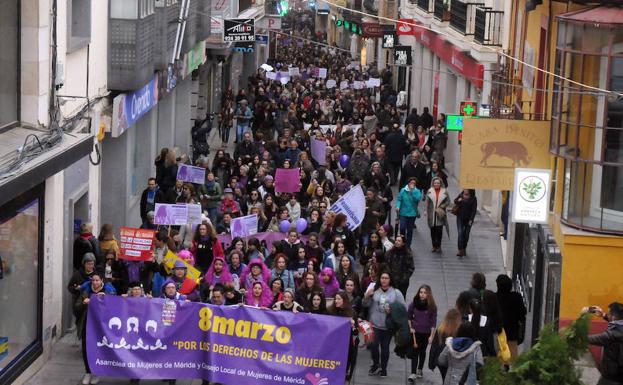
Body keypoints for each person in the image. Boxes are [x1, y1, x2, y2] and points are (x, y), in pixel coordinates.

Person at [75, 272, 116, 385]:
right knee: (86, 349)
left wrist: (106, 298)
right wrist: (84, 303)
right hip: (87, 326)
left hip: (101, 328)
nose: (95, 282)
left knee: (100, 349)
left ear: (102, 280)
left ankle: (97, 372)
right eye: (93, 280)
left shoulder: (108, 291)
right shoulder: (86, 292)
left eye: (97, 280)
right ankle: (88, 372)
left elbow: (114, 306)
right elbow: (76, 307)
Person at [363, 271, 406, 377]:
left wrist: (392, 310)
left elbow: (403, 309)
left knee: (385, 347)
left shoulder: (396, 293)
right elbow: (365, 304)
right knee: (373, 345)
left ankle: (383, 368)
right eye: (382, 278)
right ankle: (376, 364)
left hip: (388, 326)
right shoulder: (374, 290)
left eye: (386, 278)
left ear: (390, 280)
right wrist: (367, 296)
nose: (384, 280)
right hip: (374, 324)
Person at [585, 302, 623, 385]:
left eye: (608, 313)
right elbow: (616, 323)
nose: (607, 315)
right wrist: (603, 315)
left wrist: (582, 316)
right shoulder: (620, 327)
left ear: (613, 317)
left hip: (612, 378)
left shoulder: (612, 335)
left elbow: (591, 339)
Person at [407, 285, 438, 382]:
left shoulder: (432, 306)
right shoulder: (414, 303)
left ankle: (420, 369)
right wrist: (411, 327)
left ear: (428, 294)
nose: (422, 294)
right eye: (421, 292)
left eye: (424, 292)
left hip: (426, 333)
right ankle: (413, 372)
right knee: (415, 352)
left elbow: (433, 322)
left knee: (422, 351)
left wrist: (432, 336)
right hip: (415, 332)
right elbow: (408, 316)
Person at [495, 274, 527, 362]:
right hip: (512, 334)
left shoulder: (495, 298)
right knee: (511, 361)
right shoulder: (516, 297)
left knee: (498, 361)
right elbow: (523, 313)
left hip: (498, 335)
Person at [330, 291, 359, 382]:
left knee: (345, 364)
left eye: (339, 299)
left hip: (347, 344)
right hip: (334, 343)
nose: (336, 301)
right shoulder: (331, 311)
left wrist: (353, 326)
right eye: (335, 299)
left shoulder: (352, 313)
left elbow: (356, 333)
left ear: (344, 300)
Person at [428, 309, 462, 382]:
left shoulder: (440, 329)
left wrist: (431, 364)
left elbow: (434, 347)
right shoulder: (459, 331)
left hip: (441, 360)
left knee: (444, 378)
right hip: (453, 360)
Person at [425, 177, 450, 253]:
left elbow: (448, 201)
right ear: (433, 183)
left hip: (440, 213)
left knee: (439, 231)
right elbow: (427, 203)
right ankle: (434, 246)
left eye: (438, 183)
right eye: (435, 183)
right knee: (433, 231)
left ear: (440, 183)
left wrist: (442, 206)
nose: (436, 184)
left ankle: (438, 246)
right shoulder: (430, 191)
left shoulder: (444, 191)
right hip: (431, 214)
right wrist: (426, 211)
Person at [396, 177, 423, 248]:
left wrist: (412, 191)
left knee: (410, 230)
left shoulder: (417, 191)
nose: (412, 184)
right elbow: (399, 199)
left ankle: (408, 245)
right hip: (403, 213)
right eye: (411, 183)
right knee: (402, 228)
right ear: (408, 183)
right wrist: (398, 206)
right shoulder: (403, 190)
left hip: (412, 213)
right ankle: (402, 242)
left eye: (414, 183)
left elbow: (417, 199)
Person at [453, 189, 477, 257]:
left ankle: (464, 248)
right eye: (464, 190)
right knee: (460, 233)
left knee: (466, 234)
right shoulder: (461, 195)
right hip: (460, 217)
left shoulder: (473, 198)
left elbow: (474, 210)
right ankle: (460, 250)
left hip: (468, 219)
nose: (465, 191)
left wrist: (471, 220)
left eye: (466, 190)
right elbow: (455, 201)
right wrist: (459, 200)